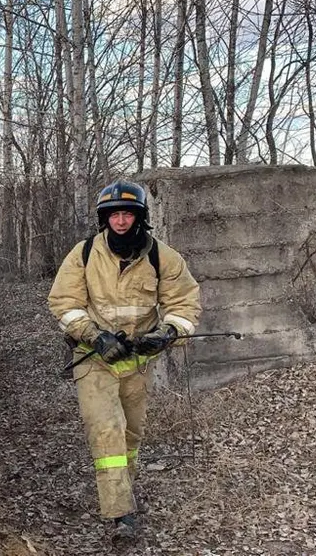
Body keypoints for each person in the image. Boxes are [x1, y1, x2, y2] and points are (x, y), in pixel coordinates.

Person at [47, 180, 201, 540]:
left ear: (139, 217)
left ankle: (122, 491)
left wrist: (166, 334)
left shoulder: (163, 257)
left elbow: (185, 303)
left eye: (127, 213)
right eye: (114, 214)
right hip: (93, 359)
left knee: (131, 434)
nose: (120, 221)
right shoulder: (83, 254)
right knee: (107, 430)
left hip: (137, 363)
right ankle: (121, 514)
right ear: (104, 218)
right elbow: (63, 302)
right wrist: (93, 336)